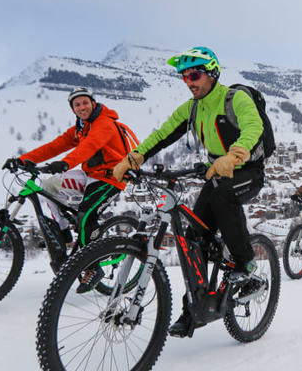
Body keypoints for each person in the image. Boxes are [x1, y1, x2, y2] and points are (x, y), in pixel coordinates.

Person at [112, 47, 268, 337]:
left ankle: (246, 264)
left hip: (247, 170)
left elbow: (253, 126)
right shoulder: (192, 107)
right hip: (217, 173)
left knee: (222, 194)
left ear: (211, 74)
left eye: (194, 75)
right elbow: (163, 134)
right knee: (194, 238)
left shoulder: (235, 99)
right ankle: (194, 309)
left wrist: (235, 154)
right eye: (184, 76)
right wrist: (135, 157)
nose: (188, 81)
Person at [2, 87, 137, 264]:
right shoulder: (81, 128)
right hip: (90, 175)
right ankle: (64, 232)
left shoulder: (104, 123)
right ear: (73, 109)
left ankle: (92, 267)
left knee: (86, 214)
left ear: (93, 103)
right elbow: (54, 146)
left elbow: (88, 146)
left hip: (111, 178)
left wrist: (65, 163)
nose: (82, 107)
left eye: (85, 102)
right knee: (49, 186)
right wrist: (23, 160)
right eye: (77, 105)